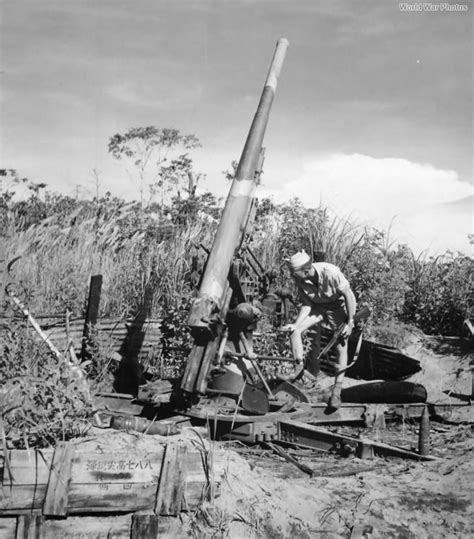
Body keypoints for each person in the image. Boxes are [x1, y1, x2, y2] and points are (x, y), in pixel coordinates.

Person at [282, 250, 356, 409]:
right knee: (294, 332)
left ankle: (337, 391)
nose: (292, 276)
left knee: (341, 345)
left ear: (305, 269)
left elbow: (349, 296)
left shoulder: (331, 272)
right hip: (318, 308)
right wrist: (296, 324)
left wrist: (349, 322)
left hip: (338, 307)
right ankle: (299, 372)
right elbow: (307, 304)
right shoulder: (299, 279)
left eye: (294, 273)